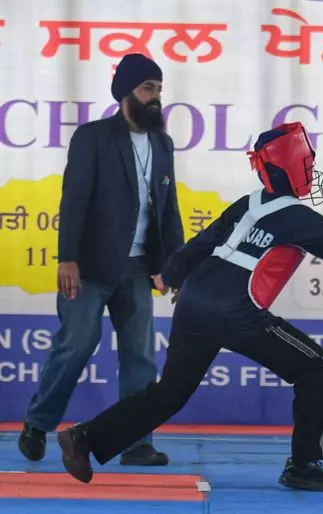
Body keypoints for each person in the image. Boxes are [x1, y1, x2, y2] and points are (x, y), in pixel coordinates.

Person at [55, 121, 323, 492]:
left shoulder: (247, 202)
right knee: (314, 366)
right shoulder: (301, 219)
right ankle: (303, 466)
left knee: (169, 393)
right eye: (309, 164)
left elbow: (197, 245)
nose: (312, 170)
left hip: (194, 299)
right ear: (293, 166)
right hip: (234, 307)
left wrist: (171, 275)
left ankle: (84, 437)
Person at [18, 53, 184, 467]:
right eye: (148, 88)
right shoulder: (93, 137)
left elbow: (168, 209)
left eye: (159, 89)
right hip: (89, 266)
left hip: (137, 268)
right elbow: (74, 199)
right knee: (75, 346)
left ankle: (136, 442)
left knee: (140, 356)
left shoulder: (163, 143)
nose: (156, 97)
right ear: (125, 93)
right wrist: (67, 258)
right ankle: (38, 423)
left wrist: (172, 264)